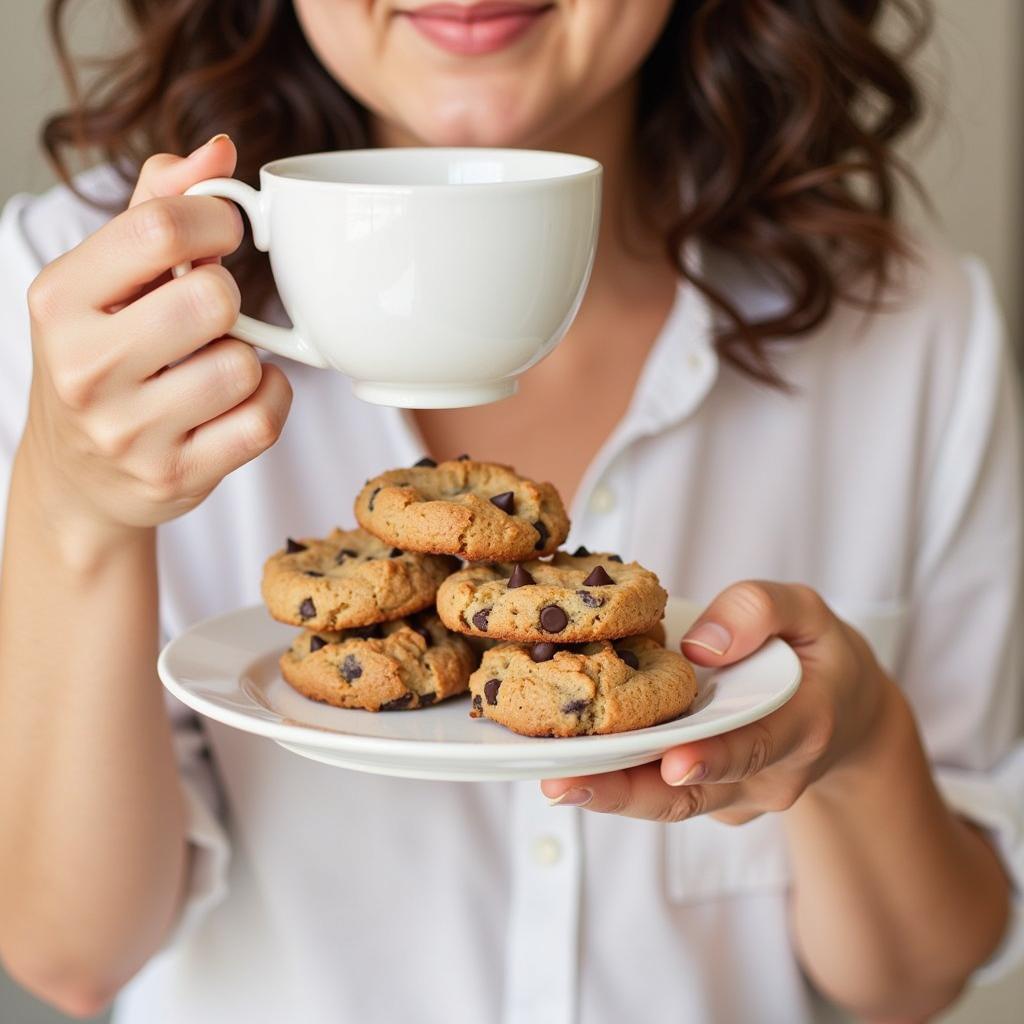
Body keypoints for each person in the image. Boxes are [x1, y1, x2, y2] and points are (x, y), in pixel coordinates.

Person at [0, 1, 1020, 1021]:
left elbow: (913, 982)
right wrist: (74, 509)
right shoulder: (87, 310)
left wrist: (860, 741)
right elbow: (73, 956)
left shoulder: (911, 334)